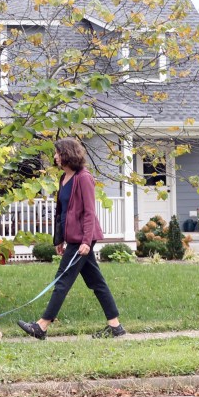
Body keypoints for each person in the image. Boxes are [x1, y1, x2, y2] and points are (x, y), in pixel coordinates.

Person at [17, 137, 126, 340]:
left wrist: (86, 241)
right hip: (73, 239)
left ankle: (42, 326)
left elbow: (88, 212)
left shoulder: (83, 178)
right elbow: (62, 212)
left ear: (67, 154)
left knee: (62, 280)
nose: (55, 157)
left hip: (82, 239)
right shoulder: (64, 178)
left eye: (58, 153)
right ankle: (115, 326)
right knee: (97, 282)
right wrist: (59, 239)